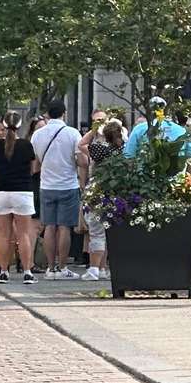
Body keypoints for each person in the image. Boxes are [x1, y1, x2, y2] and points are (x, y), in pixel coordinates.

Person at [29, 99, 83, 279]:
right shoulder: (72, 133)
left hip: (46, 185)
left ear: (47, 114)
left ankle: (50, 268)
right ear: (64, 113)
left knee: (50, 227)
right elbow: (80, 159)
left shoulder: (37, 135)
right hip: (68, 184)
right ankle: (62, 267)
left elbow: (36, 160)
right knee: (65, 227)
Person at [0, 113, 40, 284]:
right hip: (22, 192)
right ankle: (27, 271)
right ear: (19, 126)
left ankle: (3, 271)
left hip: (1, 192)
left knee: (4, 235)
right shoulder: (26, 145)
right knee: (23, 234)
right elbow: (33, 169)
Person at [77, 120, 125, 281]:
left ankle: (94, 269)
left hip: (98, 192)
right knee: (107, 233)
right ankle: (103, 268)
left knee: (96, 233)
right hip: (116, 194)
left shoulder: (99, 149)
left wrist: (94, 129)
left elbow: (81, 144)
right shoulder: (123, 150)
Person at [123, 97, 191, 158]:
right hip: (177, 173)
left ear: (148, 111)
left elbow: (129, 155)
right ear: (167, 110)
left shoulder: (139, 129)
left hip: (144, 173)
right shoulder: (182, 131)